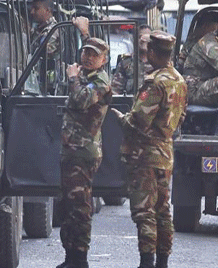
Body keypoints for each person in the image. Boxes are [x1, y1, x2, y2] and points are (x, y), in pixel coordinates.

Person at [112, 32, 186, 268]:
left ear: (154, 53)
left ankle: (147, 262)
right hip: (165, 154)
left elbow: (137, 122)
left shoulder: (155, 83)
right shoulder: (178, 80)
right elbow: (181, 116)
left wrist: (120, 118)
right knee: (163, 211)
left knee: (145, 212)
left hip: (145, 156)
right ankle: (162, 261)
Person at [56, 37, 112, 268]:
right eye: (86, 52)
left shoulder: (99, 81)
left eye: (94, 54)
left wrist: (72, 78)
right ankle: (70, 256)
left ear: (103, 60)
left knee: (80, 207)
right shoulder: (86, 77)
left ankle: (80, 259)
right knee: (68, 206)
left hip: (83, 151)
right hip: (72, 150)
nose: (88, 57)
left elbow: (80, 101)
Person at [112, 24, 151, 95]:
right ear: (135, 40)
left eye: (147, 38)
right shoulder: (126, 63)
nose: (143, 41)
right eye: (140, 37)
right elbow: (115, 91)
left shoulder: (158, 63)